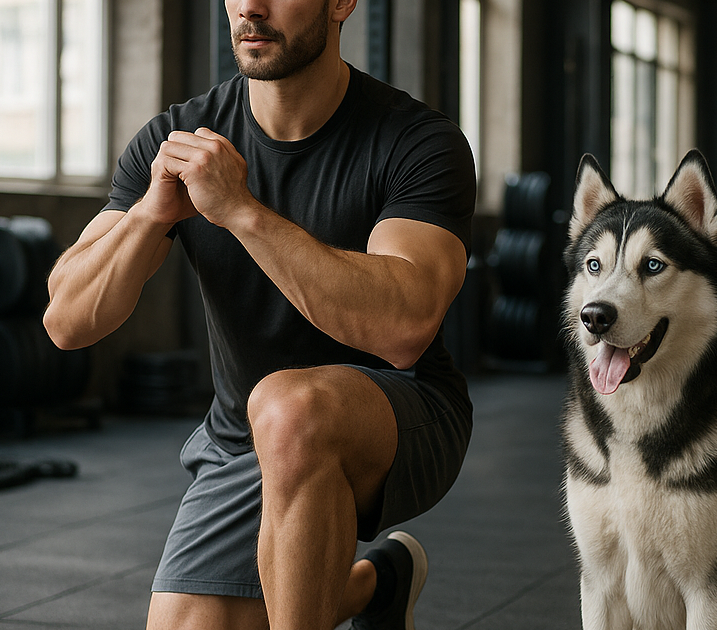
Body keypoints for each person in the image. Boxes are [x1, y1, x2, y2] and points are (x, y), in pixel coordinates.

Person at [43, 1, 475, 628]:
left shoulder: (416, 141)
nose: (250, 5)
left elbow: (405, 328)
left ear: (341, 2)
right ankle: (374, 586)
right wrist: (148, 216)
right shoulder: (182, 136)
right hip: (241, 438)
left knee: (291, 408)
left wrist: (240, 211)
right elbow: (66, 321)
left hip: (405, 414)